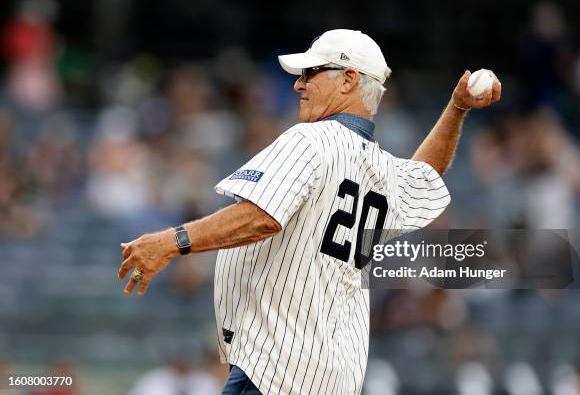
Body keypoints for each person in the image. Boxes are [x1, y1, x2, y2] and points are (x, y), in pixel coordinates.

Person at [118, 29, 501, 395]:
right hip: (336, 371)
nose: (299, 84)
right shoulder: (380, 169)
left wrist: (172, 241)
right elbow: (425, 174)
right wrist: (456, 109)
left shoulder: (311, 140)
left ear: (349, 79)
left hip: (277, 366)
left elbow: (261, 217)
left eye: (312, 72)